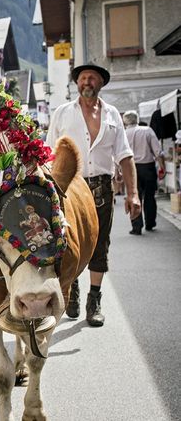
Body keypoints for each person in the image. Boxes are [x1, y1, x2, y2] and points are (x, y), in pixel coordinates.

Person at [47, 63, 141, 327]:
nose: (87, 82)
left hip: (102, 186)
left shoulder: (112, 114)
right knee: (68, 240)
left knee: (100, 244)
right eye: (83, 78)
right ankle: (72, 287)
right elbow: (47, 151)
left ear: (101, 83)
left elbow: (124, 155)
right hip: (69, 186)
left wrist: (133, 194)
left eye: (93, 78)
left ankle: (94, 299)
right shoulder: (63, 112)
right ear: (77, 83)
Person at [122, 110, 166, 235]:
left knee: (133, 197)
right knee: (149, 196)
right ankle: (150, 223)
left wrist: (119, 171)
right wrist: (162, 167)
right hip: (148, 167)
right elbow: (157, 151)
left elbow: (119, 154)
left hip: (131, 168)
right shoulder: (147, 130)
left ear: (125, 121)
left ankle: (136, 227)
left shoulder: (124, 134)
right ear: (137, 118)